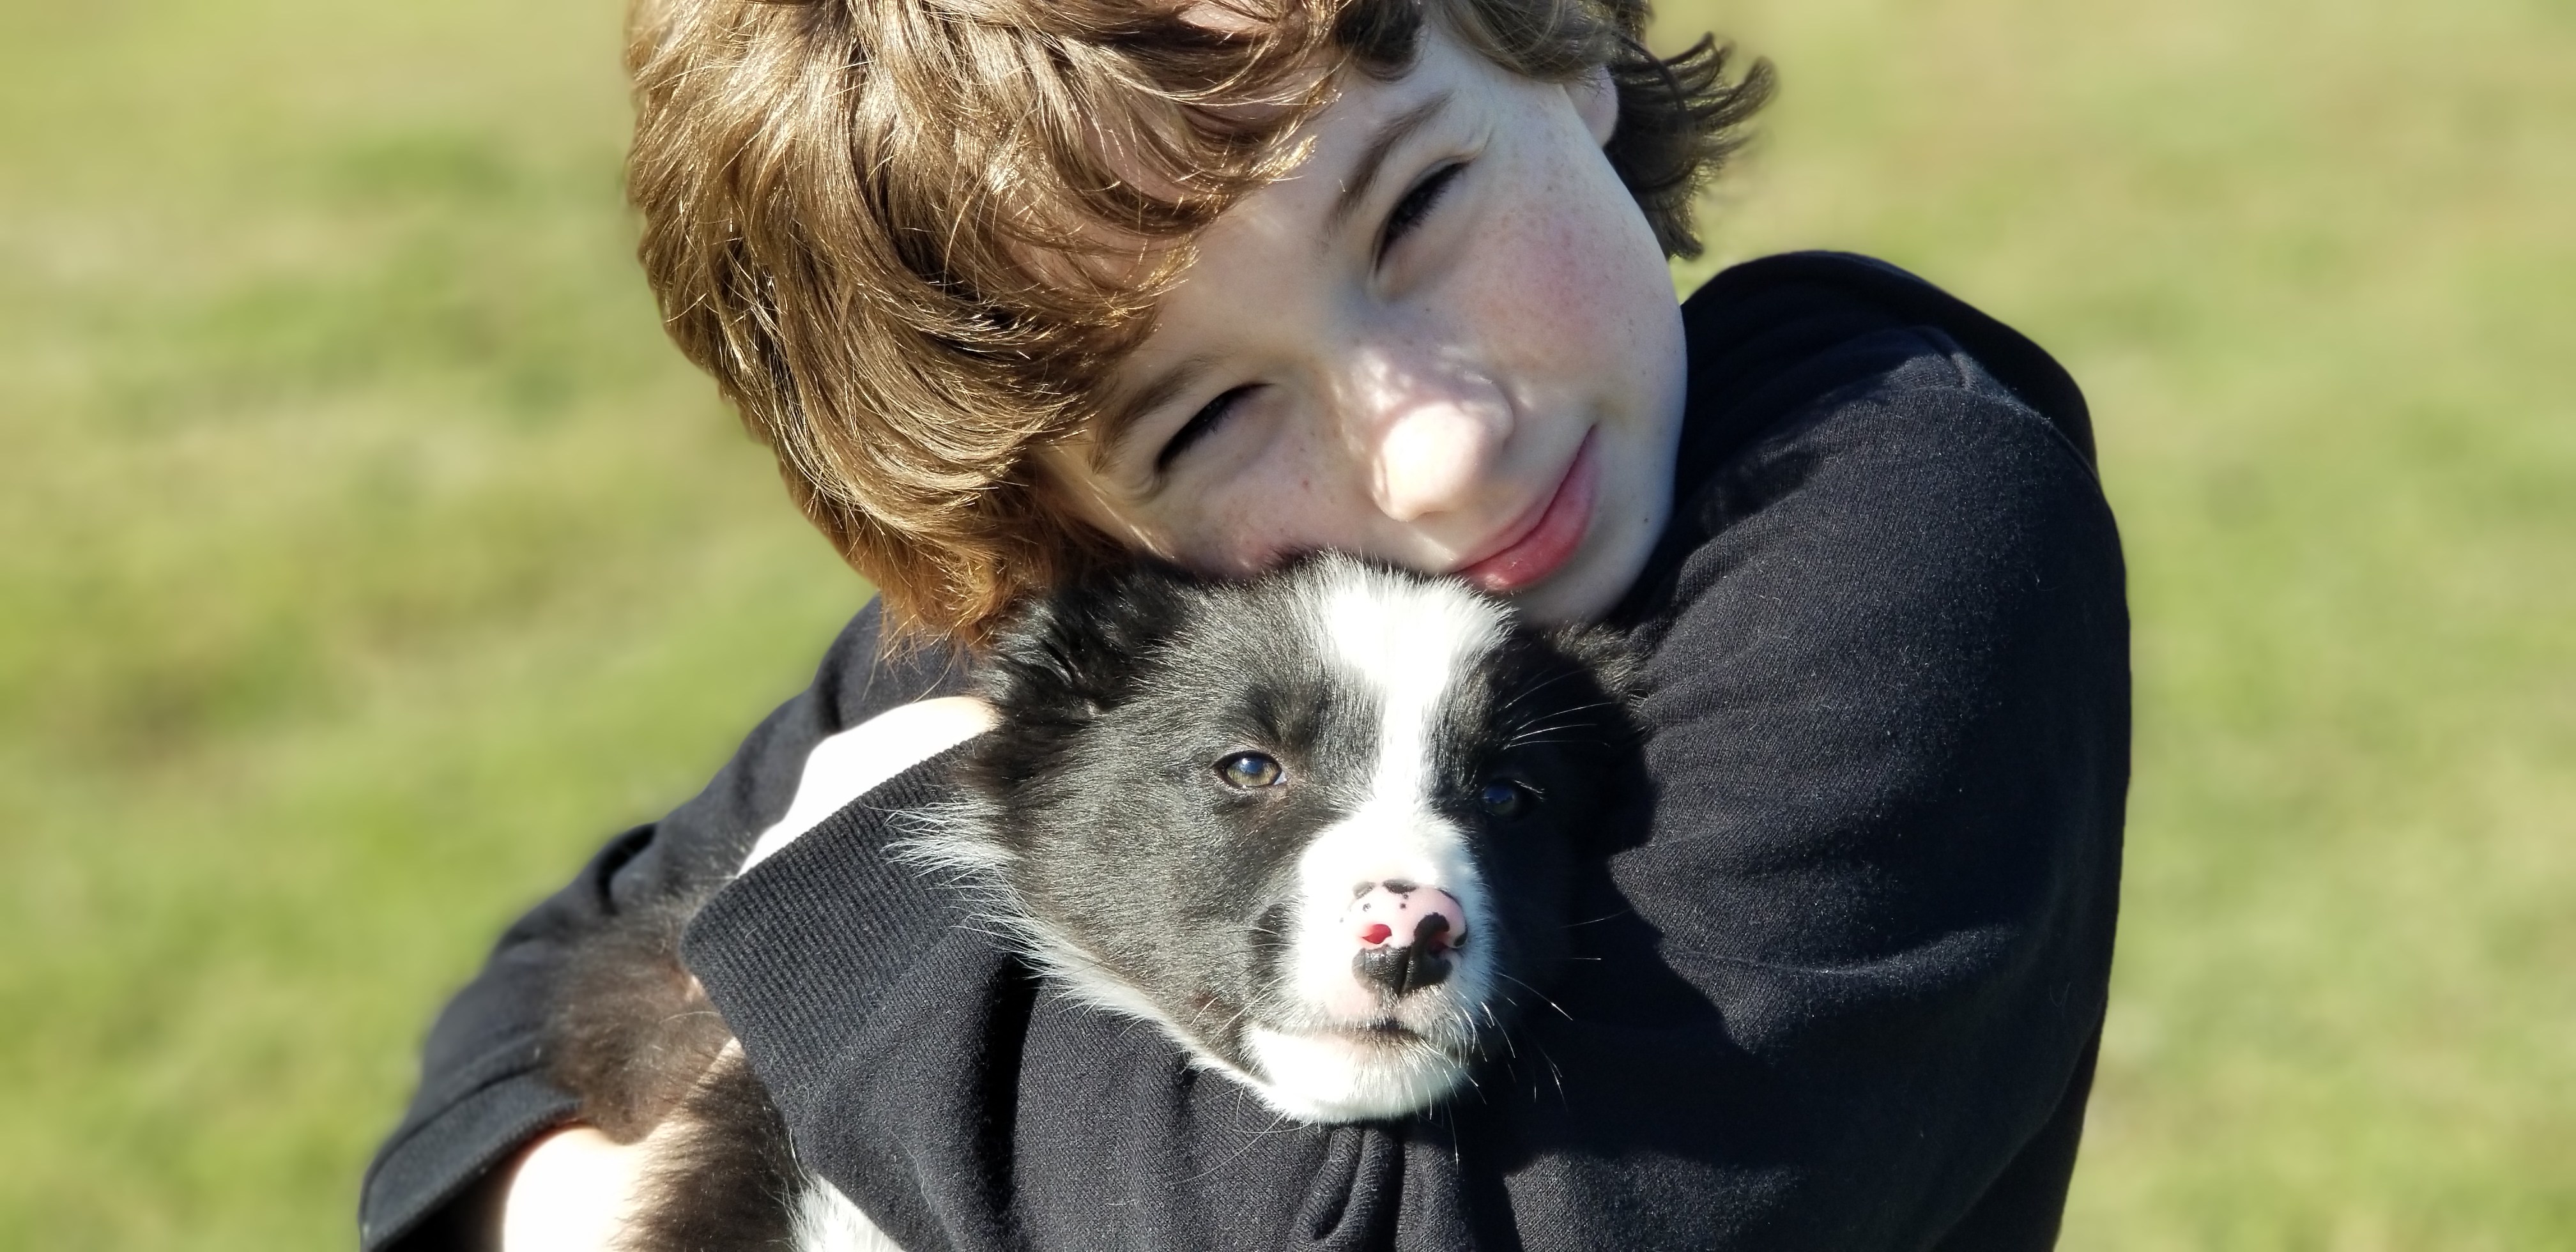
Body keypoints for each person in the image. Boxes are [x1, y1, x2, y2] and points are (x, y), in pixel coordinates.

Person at [360, 0, 2129, 1247]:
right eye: (1212, 418)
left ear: (1563, 38)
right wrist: (612, 1210)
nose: (1434, 450)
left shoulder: (1888, 496)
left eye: (1421, 205)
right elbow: (502, 1062)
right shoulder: (1157, 621)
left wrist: (845, 903)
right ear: (1068, 523)